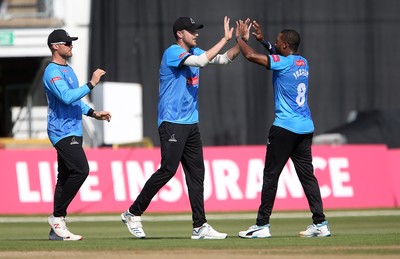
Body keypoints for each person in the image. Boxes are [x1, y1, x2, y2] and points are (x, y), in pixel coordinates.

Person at [121, 16, 243, 240]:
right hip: (172, 122)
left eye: (196, 30)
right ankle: (132, 213)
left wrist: (241, 42)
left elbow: (224, 60)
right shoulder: (172, 53)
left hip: (190, 123)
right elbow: (201, 63)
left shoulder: (196, 52)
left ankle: (200, 226)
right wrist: (224, 39)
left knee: (197, 175)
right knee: (168, 170)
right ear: (180, 34)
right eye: (191, 30)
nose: (196, 33)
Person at [235, 20, 331, 238]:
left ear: (285, 46)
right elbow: (279, 57)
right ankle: (321, 223)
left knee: (271, 176)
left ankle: (262, 225)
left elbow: (250, 56)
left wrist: (240, 39)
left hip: (285, 128)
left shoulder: (284, 62)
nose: (276, 43)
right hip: (305, 128)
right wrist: (264, 41)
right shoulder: (302, 62)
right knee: (308, 177)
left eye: (278, 42)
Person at [43, 29, 111, 241]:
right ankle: (56, 217)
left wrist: (92, 113)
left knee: (64, 178)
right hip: (61, 130)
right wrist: (91, 83)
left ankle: (56, 228)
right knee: (81, 170)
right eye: (67, 43)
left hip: (74, 128)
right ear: (55, 46)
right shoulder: (51, 71)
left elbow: (74, 100)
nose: (71, 46)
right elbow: (65, 96)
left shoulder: (69, 70)